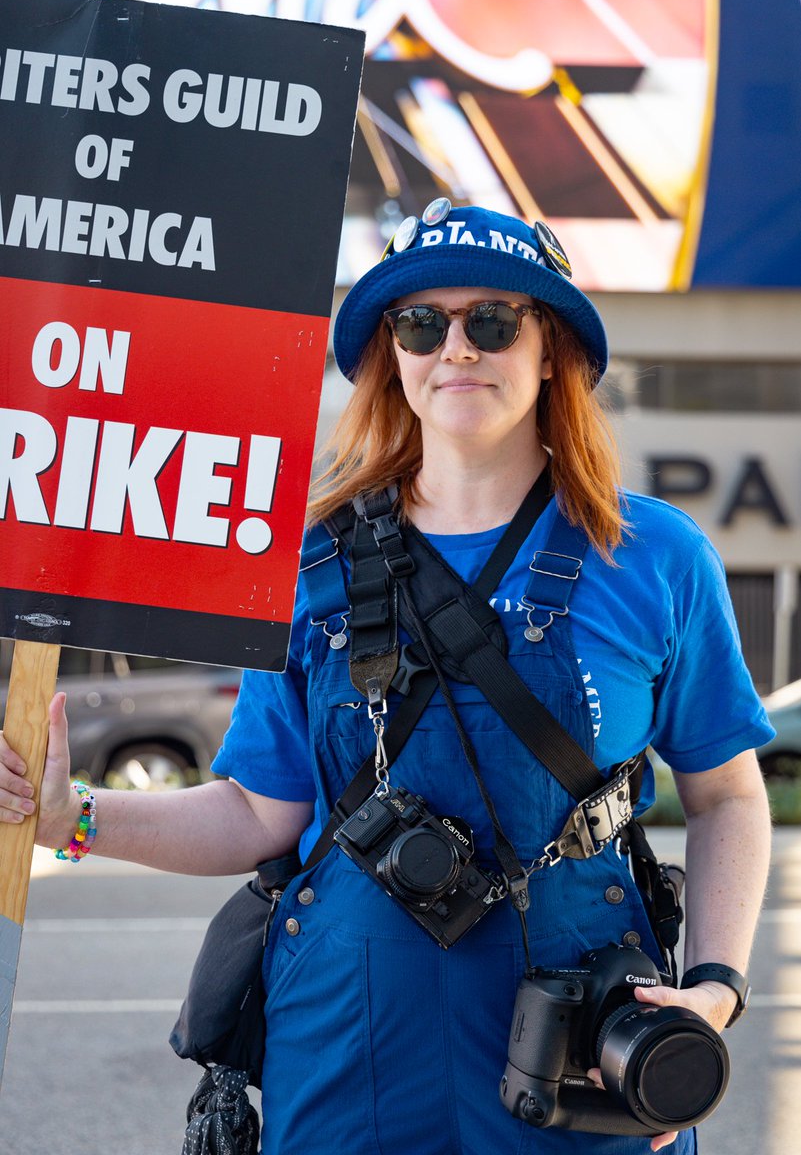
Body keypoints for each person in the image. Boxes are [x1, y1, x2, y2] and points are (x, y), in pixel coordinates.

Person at [0, 202, 773, 1155]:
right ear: (391, 358)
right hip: (344, 1050)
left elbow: (727, 797)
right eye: (420, 323)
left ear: (550, 350)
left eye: (494, 320)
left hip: (579, 1056)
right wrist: (71, 815)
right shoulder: (304, 564)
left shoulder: (654, 554)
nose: (457, 347)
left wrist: (714, 989)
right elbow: (257, 812)